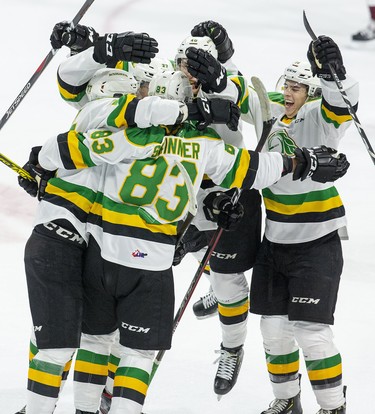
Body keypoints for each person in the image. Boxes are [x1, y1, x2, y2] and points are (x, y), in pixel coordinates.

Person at [18, 63, 242, 414]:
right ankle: (52, 403)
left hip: (105, 245)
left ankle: (90, 401)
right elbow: (142, 117)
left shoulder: (136, 135)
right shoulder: (108, 113)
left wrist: (210, 206)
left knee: (98, 337)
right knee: (66, 339)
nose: (139, 97)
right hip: (72, 240)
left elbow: (187, 176)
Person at [238, 35, 357, 413]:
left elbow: (341, 105)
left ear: (312, 91)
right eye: (287, 86)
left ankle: (332, 406)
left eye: (299, 88)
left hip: (318, 241)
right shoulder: (271, 109)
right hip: (275, 241)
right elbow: (234, 93)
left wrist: (334, 75)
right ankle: (287, 401)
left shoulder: (320, 118)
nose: (289, 93)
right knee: (273, 332)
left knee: (311, 332)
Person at [172, 22, 263, 398]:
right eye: (183, 63)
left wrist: (220, 78)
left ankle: (231, 347)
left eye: (198, 66)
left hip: (224, 192)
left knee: (228, 281)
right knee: (189, 246)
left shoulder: (230, 80)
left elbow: (239, 93)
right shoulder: (170, 81)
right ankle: (210, 277)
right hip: (179, 190)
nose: (188, 73)